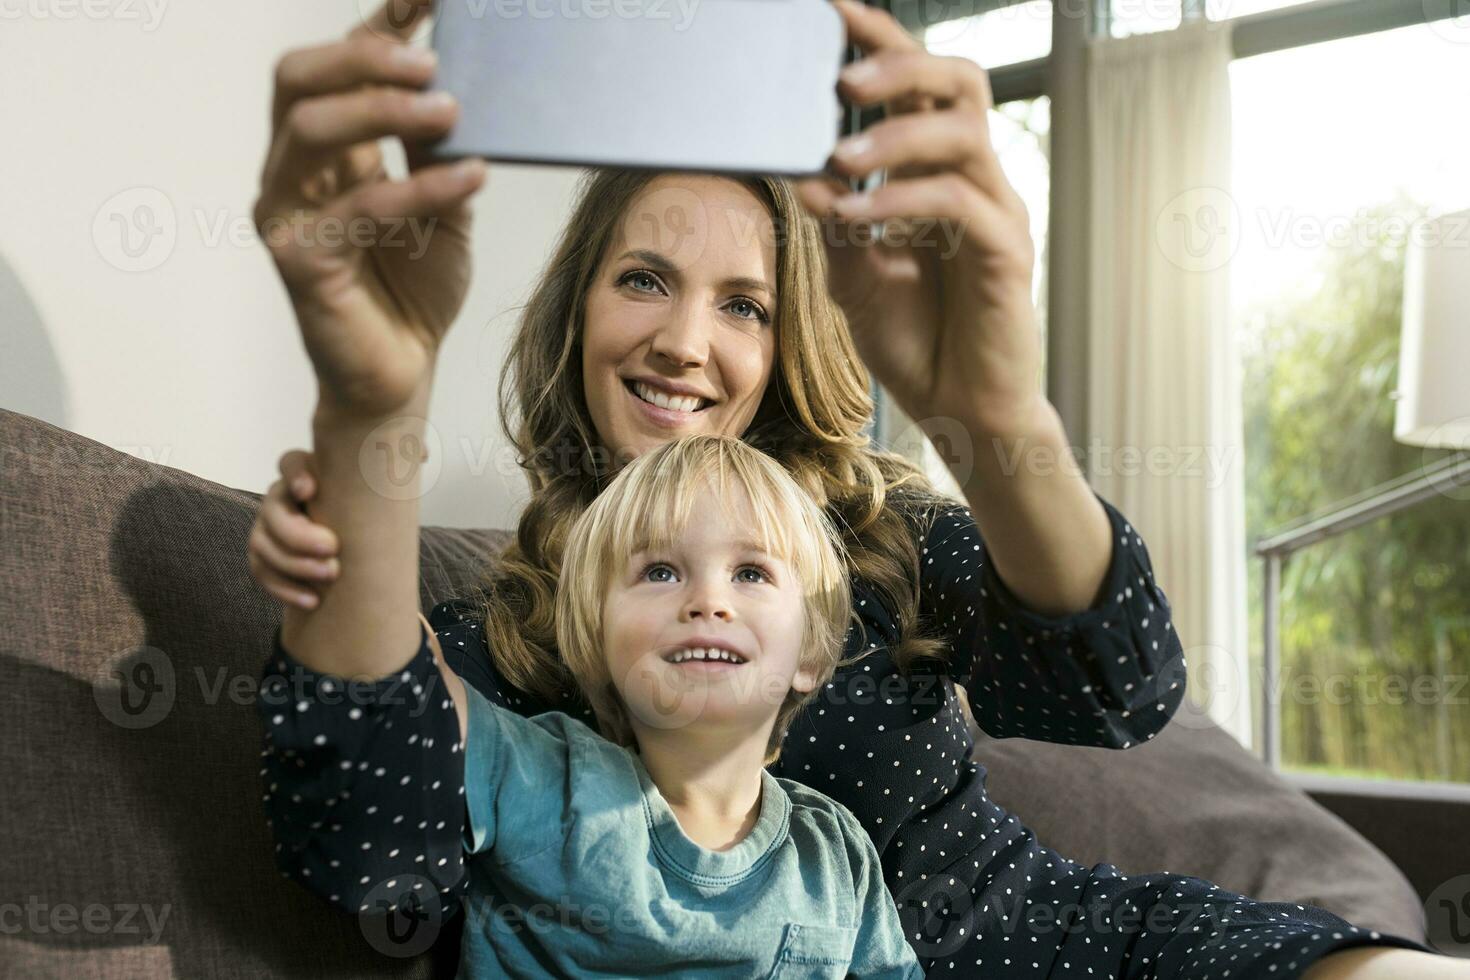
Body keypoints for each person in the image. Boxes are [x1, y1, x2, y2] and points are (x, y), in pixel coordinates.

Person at [250, 1, 1456, 975]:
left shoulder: (879, 538)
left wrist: (995, 419)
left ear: (785, 345)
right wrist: (370, 412)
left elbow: (1118, 689)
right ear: (574, 315)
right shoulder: (503, 638)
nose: (683, 340)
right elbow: (374, 854)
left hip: (1070, 946)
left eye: (744, 304)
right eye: (643, 281)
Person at [267, 433, 923, 976]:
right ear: (596, 642)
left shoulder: (838, 854)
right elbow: (401, 701)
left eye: (751, 573)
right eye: (660, 572)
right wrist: (347, 551)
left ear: (810, 654)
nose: (707, 602)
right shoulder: (549, 779)